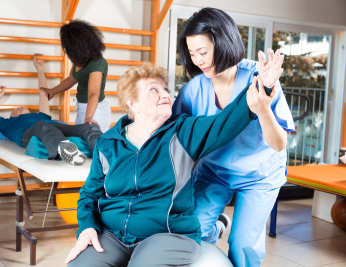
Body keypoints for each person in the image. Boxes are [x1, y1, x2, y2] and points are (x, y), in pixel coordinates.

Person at [65, 62, 278, 267]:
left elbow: (226, 121)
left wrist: (262, 85)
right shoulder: (107, 143)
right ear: (132, 103)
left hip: (167, 234)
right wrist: (87, 227)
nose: (165, 94)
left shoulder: (183, 132)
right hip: (112, 235)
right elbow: (89, 195)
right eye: (153, 90)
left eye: (166, 89)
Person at [173, 8, 294, 267]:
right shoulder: (193, 90)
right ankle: (216, 228)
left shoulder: (259, 78)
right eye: (192, 54)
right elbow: (175, 135)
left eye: (203, 52)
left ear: (223, 42)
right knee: (193, 232)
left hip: (260, 173)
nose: (198, 61)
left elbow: (279, 143)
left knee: (242, 245)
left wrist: (262, 108)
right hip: (213, 171)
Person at [0, 55, 103, 166]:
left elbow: (43, 93)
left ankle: (104, 155)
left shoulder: (42, 116)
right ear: (13, 116)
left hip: (53, 128)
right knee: (40, 124)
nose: (22, 106)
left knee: (89, 126)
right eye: (18, 109)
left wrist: (40, 69)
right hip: (29, 134)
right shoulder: (6, 124)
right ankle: (64, 149)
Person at [38, 20, 111, 133]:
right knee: (82, 144)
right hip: (82, 109)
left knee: (95, 146)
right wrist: (52, 91)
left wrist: (88, 118)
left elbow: (93, 93)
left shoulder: (97, 63)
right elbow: (70, 80)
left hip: (96, 111)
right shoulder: (79, 61)